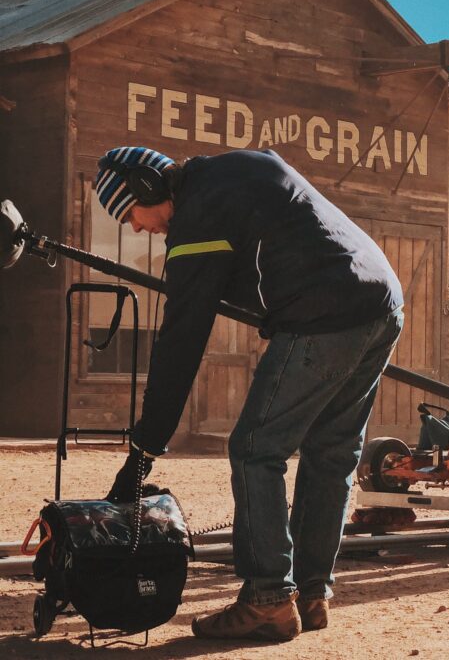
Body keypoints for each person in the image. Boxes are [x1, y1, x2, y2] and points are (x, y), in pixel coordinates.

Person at [96, 146, 405, 641]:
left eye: (130, 214)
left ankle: (267, 599)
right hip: (382, 299)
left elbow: (180, 341)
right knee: (330, 453)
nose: (136, 228)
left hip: (324, 312)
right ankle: (310, 592)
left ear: (147, 188)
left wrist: (144, 449)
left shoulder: (197, 218)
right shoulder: (236, 170)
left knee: (255, 449)